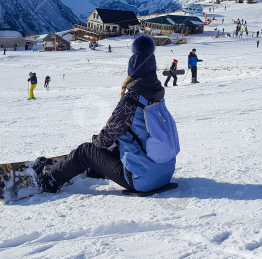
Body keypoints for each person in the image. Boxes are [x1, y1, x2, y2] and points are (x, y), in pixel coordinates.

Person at [35, 34, 175, 194]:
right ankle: (97, 169)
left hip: (142, 179)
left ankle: (50, 179)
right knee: (122, 143)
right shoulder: (157, 96)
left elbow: (105, 139)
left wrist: (95, 145)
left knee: (85, 151)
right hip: (164, 172)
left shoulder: (133, 100)